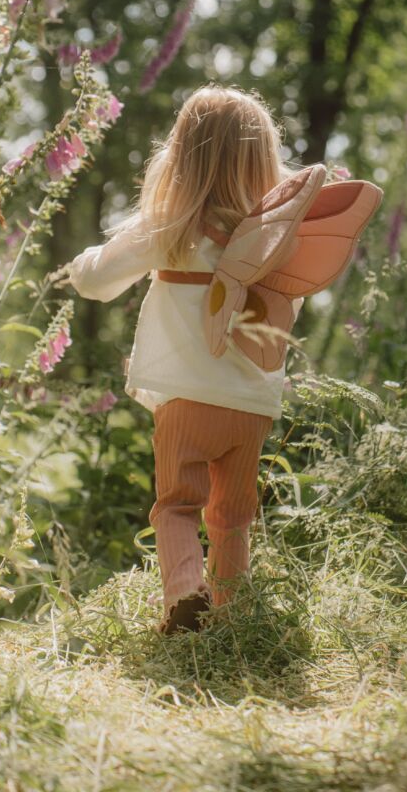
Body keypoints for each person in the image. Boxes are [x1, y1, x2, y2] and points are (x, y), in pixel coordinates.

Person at [56, 84, 305, 635]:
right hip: (251, 405)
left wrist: (79, 266)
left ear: (183, 155)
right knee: (233, 517)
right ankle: (235, 614)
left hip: (186, 398)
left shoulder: (172, 227)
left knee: (176, 506)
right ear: (265, 160)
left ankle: (186, 595)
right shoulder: (272, 243)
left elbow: (98, 281)